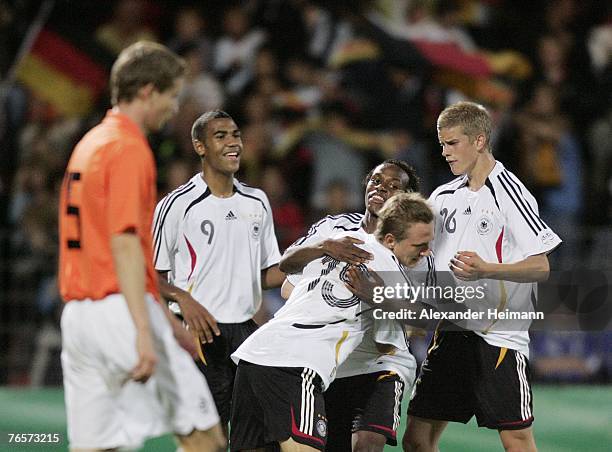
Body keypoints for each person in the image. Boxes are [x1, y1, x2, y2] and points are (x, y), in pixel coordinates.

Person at [58, 42, 225, 451]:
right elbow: (125, 243)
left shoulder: (90, 144)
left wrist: (166, 324)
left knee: (99, 447)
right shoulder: (129, 147)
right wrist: (144, 329)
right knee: (205, 436)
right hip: (120, 310)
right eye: (171, 96)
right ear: (148, 91)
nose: (174, 109)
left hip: (79, 319)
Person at [404, 101, 562, 452]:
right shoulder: (443, 196)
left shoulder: (511, 193)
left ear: (478, 140)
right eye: (442, 144)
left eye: (452, 143)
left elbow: (541, 266)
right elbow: (424, 259)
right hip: (451, 333)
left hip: (497, 339)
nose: (444, 152)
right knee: (416, 440)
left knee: (517, 441)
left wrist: (488, 269)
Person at [230, 192, 435, 452]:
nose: (426, 251)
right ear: (391, 240)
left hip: (255, 355)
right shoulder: (389, 274)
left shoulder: (339, 241)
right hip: (297, 364)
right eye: (419, 245)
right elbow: (389, 346)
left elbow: (287, 283)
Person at [279, 160, 431, 451]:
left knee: (366, 443)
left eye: (393, 186)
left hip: (383, 363)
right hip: (332, 363)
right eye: (375, 181)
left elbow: (419, 319)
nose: (381, 188)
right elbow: (288, 283)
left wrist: (375, 295)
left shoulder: (417, 250)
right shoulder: (332, 228)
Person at [152, 110, 285, 433]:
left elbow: (267, 273)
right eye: (221, 136)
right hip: (199, 333)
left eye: (236, 135)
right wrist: (183, 299)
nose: (233, 143)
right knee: (207, 435)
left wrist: (315, 260)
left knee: (252, 436)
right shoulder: (177, 204)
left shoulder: (257, 201)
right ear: (200, 146)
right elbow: (150, 275)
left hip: (245, 334)